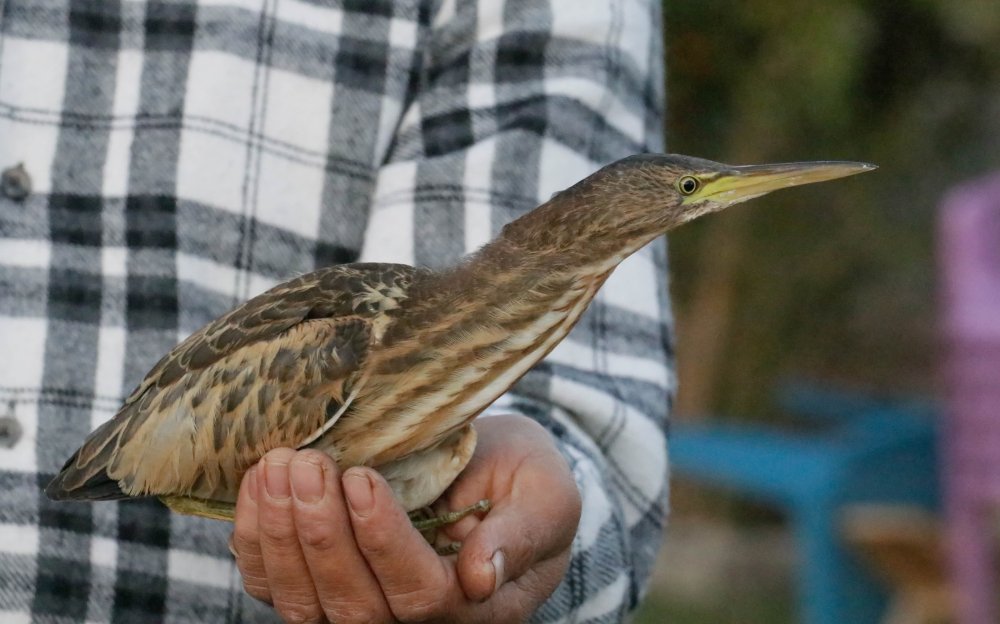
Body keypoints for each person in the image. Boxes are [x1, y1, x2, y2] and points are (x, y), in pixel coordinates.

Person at [0, 0, 673, 621]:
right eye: (695, 188)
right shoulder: (337, 347)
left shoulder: (431, 388)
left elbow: (590, 458)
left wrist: (524, 543)